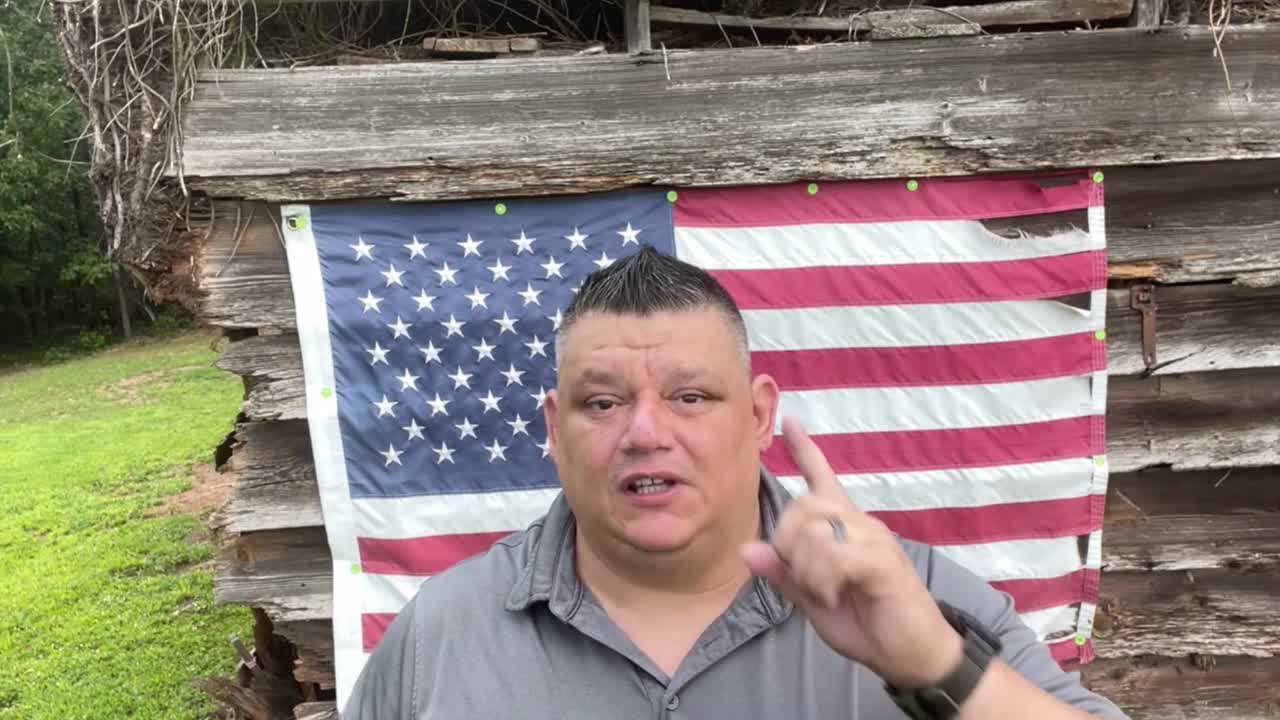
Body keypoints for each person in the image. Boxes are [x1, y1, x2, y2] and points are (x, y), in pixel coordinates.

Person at [342, 246, 1131, 719]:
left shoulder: (910, 596)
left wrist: (934, 669)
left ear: (758, 415)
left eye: (690, 397)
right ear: (553, 426)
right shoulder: (444, 634)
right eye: (603, 403)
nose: (645, 432)